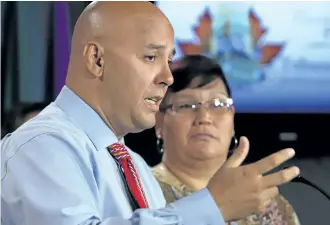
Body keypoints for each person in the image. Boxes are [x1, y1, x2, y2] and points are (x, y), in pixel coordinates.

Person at [1, 2, 300, 225]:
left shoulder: (136, 167)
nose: (168, 77)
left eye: (168, 60)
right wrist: (211, 208)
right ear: (96, 59)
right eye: (150, 57)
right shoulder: (40, 146)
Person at [152, 55, 301, 225]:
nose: (204, 117)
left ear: (232, 121)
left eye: (218, 105)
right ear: (159, 121)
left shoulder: (264, 201)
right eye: (186, 105)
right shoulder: (141, 191)